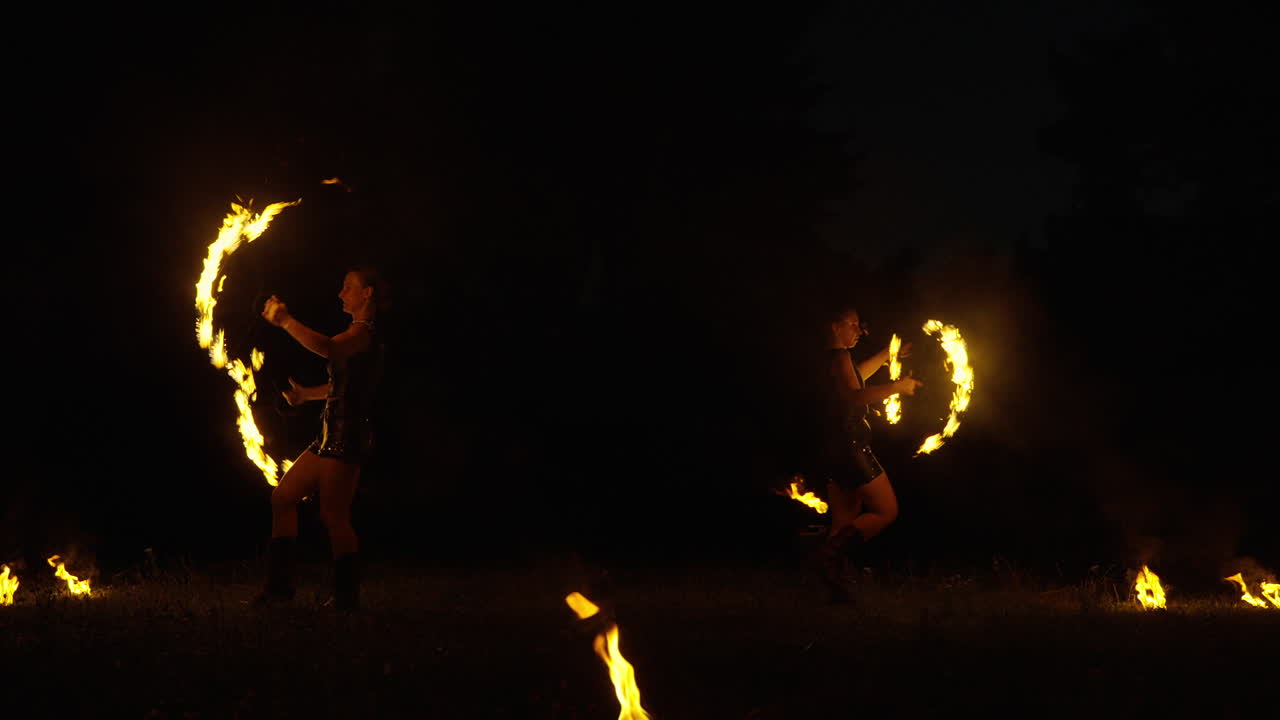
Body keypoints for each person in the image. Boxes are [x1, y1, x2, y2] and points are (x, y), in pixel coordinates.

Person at [252, 266, 389, 610]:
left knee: (334, 515)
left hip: (348, 436)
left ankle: (346, 597)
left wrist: (285, 321)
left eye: (348, 288)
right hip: (329, 434)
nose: (341, 293)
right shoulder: (353, 336)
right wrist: (305, 395)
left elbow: (328, 348)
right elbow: (340, 388)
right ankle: (278, 589)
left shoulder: (364, 334)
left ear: (367, 293)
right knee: (283, 498)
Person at [812, 306, 922, 603]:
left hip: (833, 450)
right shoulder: (839, 357)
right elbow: (855, 395)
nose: (859, 330)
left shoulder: (831, 360)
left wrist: (888, 353)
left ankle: (831, 591)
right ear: (835, 326)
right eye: (854, 325)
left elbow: (856, 378)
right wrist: (898, 386)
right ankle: (826, 556)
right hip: (851, 450)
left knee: (843, 523)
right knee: (886, 510)